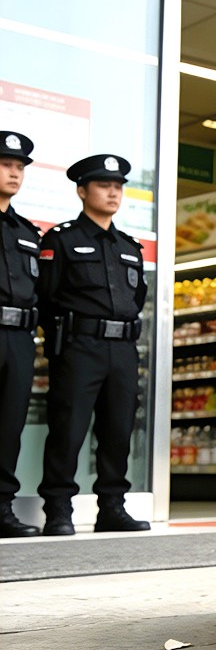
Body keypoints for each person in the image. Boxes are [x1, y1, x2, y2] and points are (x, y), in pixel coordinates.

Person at [36, 154, 149, 536]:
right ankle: (58, 509)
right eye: (104, 186)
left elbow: (138, 300)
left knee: (118, 430)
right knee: (68, 428)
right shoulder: (61, 239)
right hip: (79, 347)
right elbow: (46, 297)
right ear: (82, 191)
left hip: (122, 349)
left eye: (118, 187)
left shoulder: (130, 246)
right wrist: (60, 345)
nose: (113, 192)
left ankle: (112, 507)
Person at [0, 130, 41, 538]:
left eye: (19, 167)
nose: (14, 173)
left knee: (9, 425)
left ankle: (2, 507)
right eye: (5, 164)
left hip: (18, 338)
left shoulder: (28, 233)